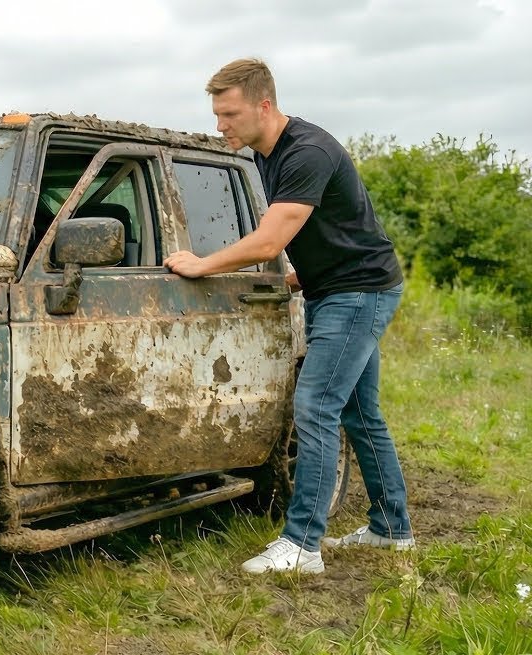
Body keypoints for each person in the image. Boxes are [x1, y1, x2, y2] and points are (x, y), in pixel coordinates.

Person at [164, 58, 413, 574]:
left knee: (315, 406)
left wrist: (202, 264)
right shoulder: (263, 154)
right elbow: (314, 226)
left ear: (264, 105)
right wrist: (307, 275)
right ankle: (392, 529)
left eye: (229, 113)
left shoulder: (306, 152)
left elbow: (272, 238)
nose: (220, 125)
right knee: (359, 414)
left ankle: (302, 546)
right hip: (336, 287)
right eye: (216, 114)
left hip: (358, 293)